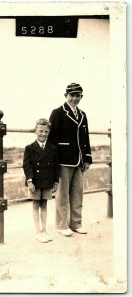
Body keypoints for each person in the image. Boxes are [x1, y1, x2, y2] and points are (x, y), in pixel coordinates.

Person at [48, 82, 92, 237]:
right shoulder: (57, 113)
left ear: (81, 96)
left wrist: (87, 157)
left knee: (77, 193)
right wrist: (54, 161)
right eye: (71, 95)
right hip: (62, 160)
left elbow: (85, 138)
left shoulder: (83, 115)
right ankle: (61, 225)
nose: (74, 98)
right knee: (62, 194)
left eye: (77, 95)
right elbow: (51, 140)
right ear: (65, 96)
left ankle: (76, 223)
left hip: (79, 161)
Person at [23, 118, 59, 243]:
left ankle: (44, 230)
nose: (43, 134)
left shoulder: (52, 148)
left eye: (46, 132)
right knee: (35, 204)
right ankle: (37, 232)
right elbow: (27, 166)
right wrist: (29, 181)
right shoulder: (29, 148)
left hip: (47, 181)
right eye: (41, 131)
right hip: (35, 182)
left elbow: (56, 166)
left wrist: (56, 181)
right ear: (35, 131)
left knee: (44, 204)